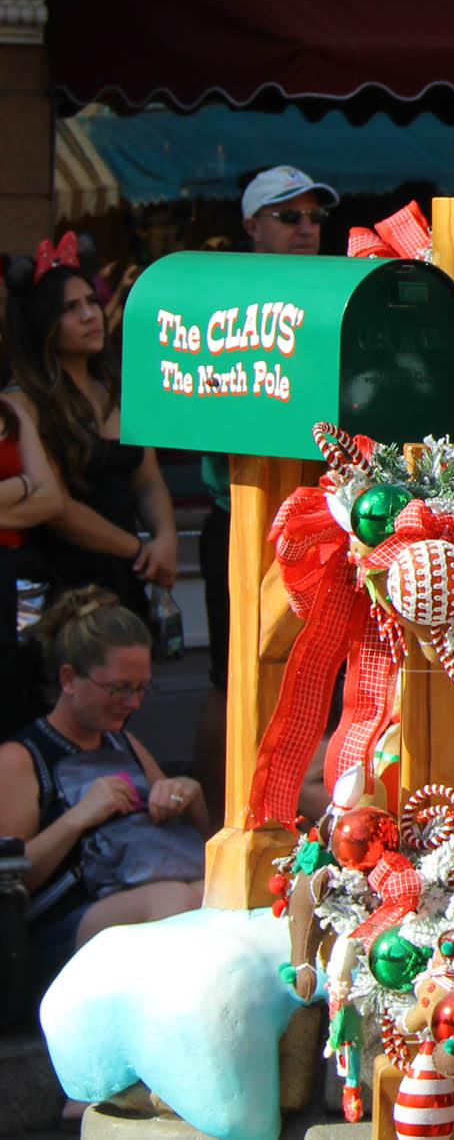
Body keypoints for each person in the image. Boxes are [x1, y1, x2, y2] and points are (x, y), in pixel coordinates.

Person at [0, 587, 208, 993]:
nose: (132, 702)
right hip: (60, 925)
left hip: (146, 890)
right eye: (118, 689)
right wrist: (77, 818)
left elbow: (197, 839)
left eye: (141, 688)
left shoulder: (124, 743)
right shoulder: (20, 758)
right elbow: (13, 885)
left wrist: (189, 796)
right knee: (174, 902)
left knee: (212, 894)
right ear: (69, 679)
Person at [200, 166, 337, 690]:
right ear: (251, 225)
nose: (306, 227)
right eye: (288, 216)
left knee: (316, 679)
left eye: (314, 215)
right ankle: (221, 778)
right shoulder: (222, 299)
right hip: (239, 516)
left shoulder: (333, 298)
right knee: (232, 680)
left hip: (321, 522)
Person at [9, 251, 176, 654]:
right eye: (71, 308)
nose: (90, 315)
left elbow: (148, 479)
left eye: (92, 302)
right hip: (60, 581)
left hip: (128, 572)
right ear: (43, 325)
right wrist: (140, 550)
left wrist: (167, 537)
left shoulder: (118, 391)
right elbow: (57, 507)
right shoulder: (23, 402)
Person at [0, 384, 66, 738]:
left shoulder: (11, 410)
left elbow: (52, 499)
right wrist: (25, 484)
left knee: (19, 691)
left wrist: (28, 486)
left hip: (15, 578)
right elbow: (38, 488)